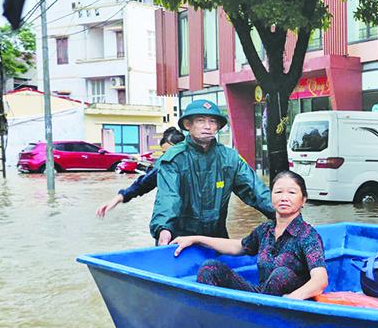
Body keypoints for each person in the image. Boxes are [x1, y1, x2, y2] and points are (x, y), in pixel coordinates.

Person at [171, 171, 328, 300]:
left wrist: (291, 300)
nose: (284, 197)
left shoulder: (308, 236)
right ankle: (214, 319)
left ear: (303, 200)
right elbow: (237, 246)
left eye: (292, 192)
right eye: (278, 192)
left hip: (290, 304)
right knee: (210, 267)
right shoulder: (265, 230)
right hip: (260, 296)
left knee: (282, 274)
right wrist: (195, 238)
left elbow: (320, 280)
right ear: (272, 197)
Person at [150, 99, 275, 245]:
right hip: (179, 240)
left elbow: (256, 191)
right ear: (188, 125)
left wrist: (283, 214)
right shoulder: (174, 159)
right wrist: (163, 228)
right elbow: (168, 198)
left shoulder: (230, 158)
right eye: (200, 121)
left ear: (218, 127)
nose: (207, 127)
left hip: (217, 240)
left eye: (213, 122)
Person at [95, 127, 185, 218]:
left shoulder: (195, 162)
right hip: (172, 219)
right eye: (164, 152)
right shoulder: (162, 167)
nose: (168, 156)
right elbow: (142, 184)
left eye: (172, 152)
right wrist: (118, 198)